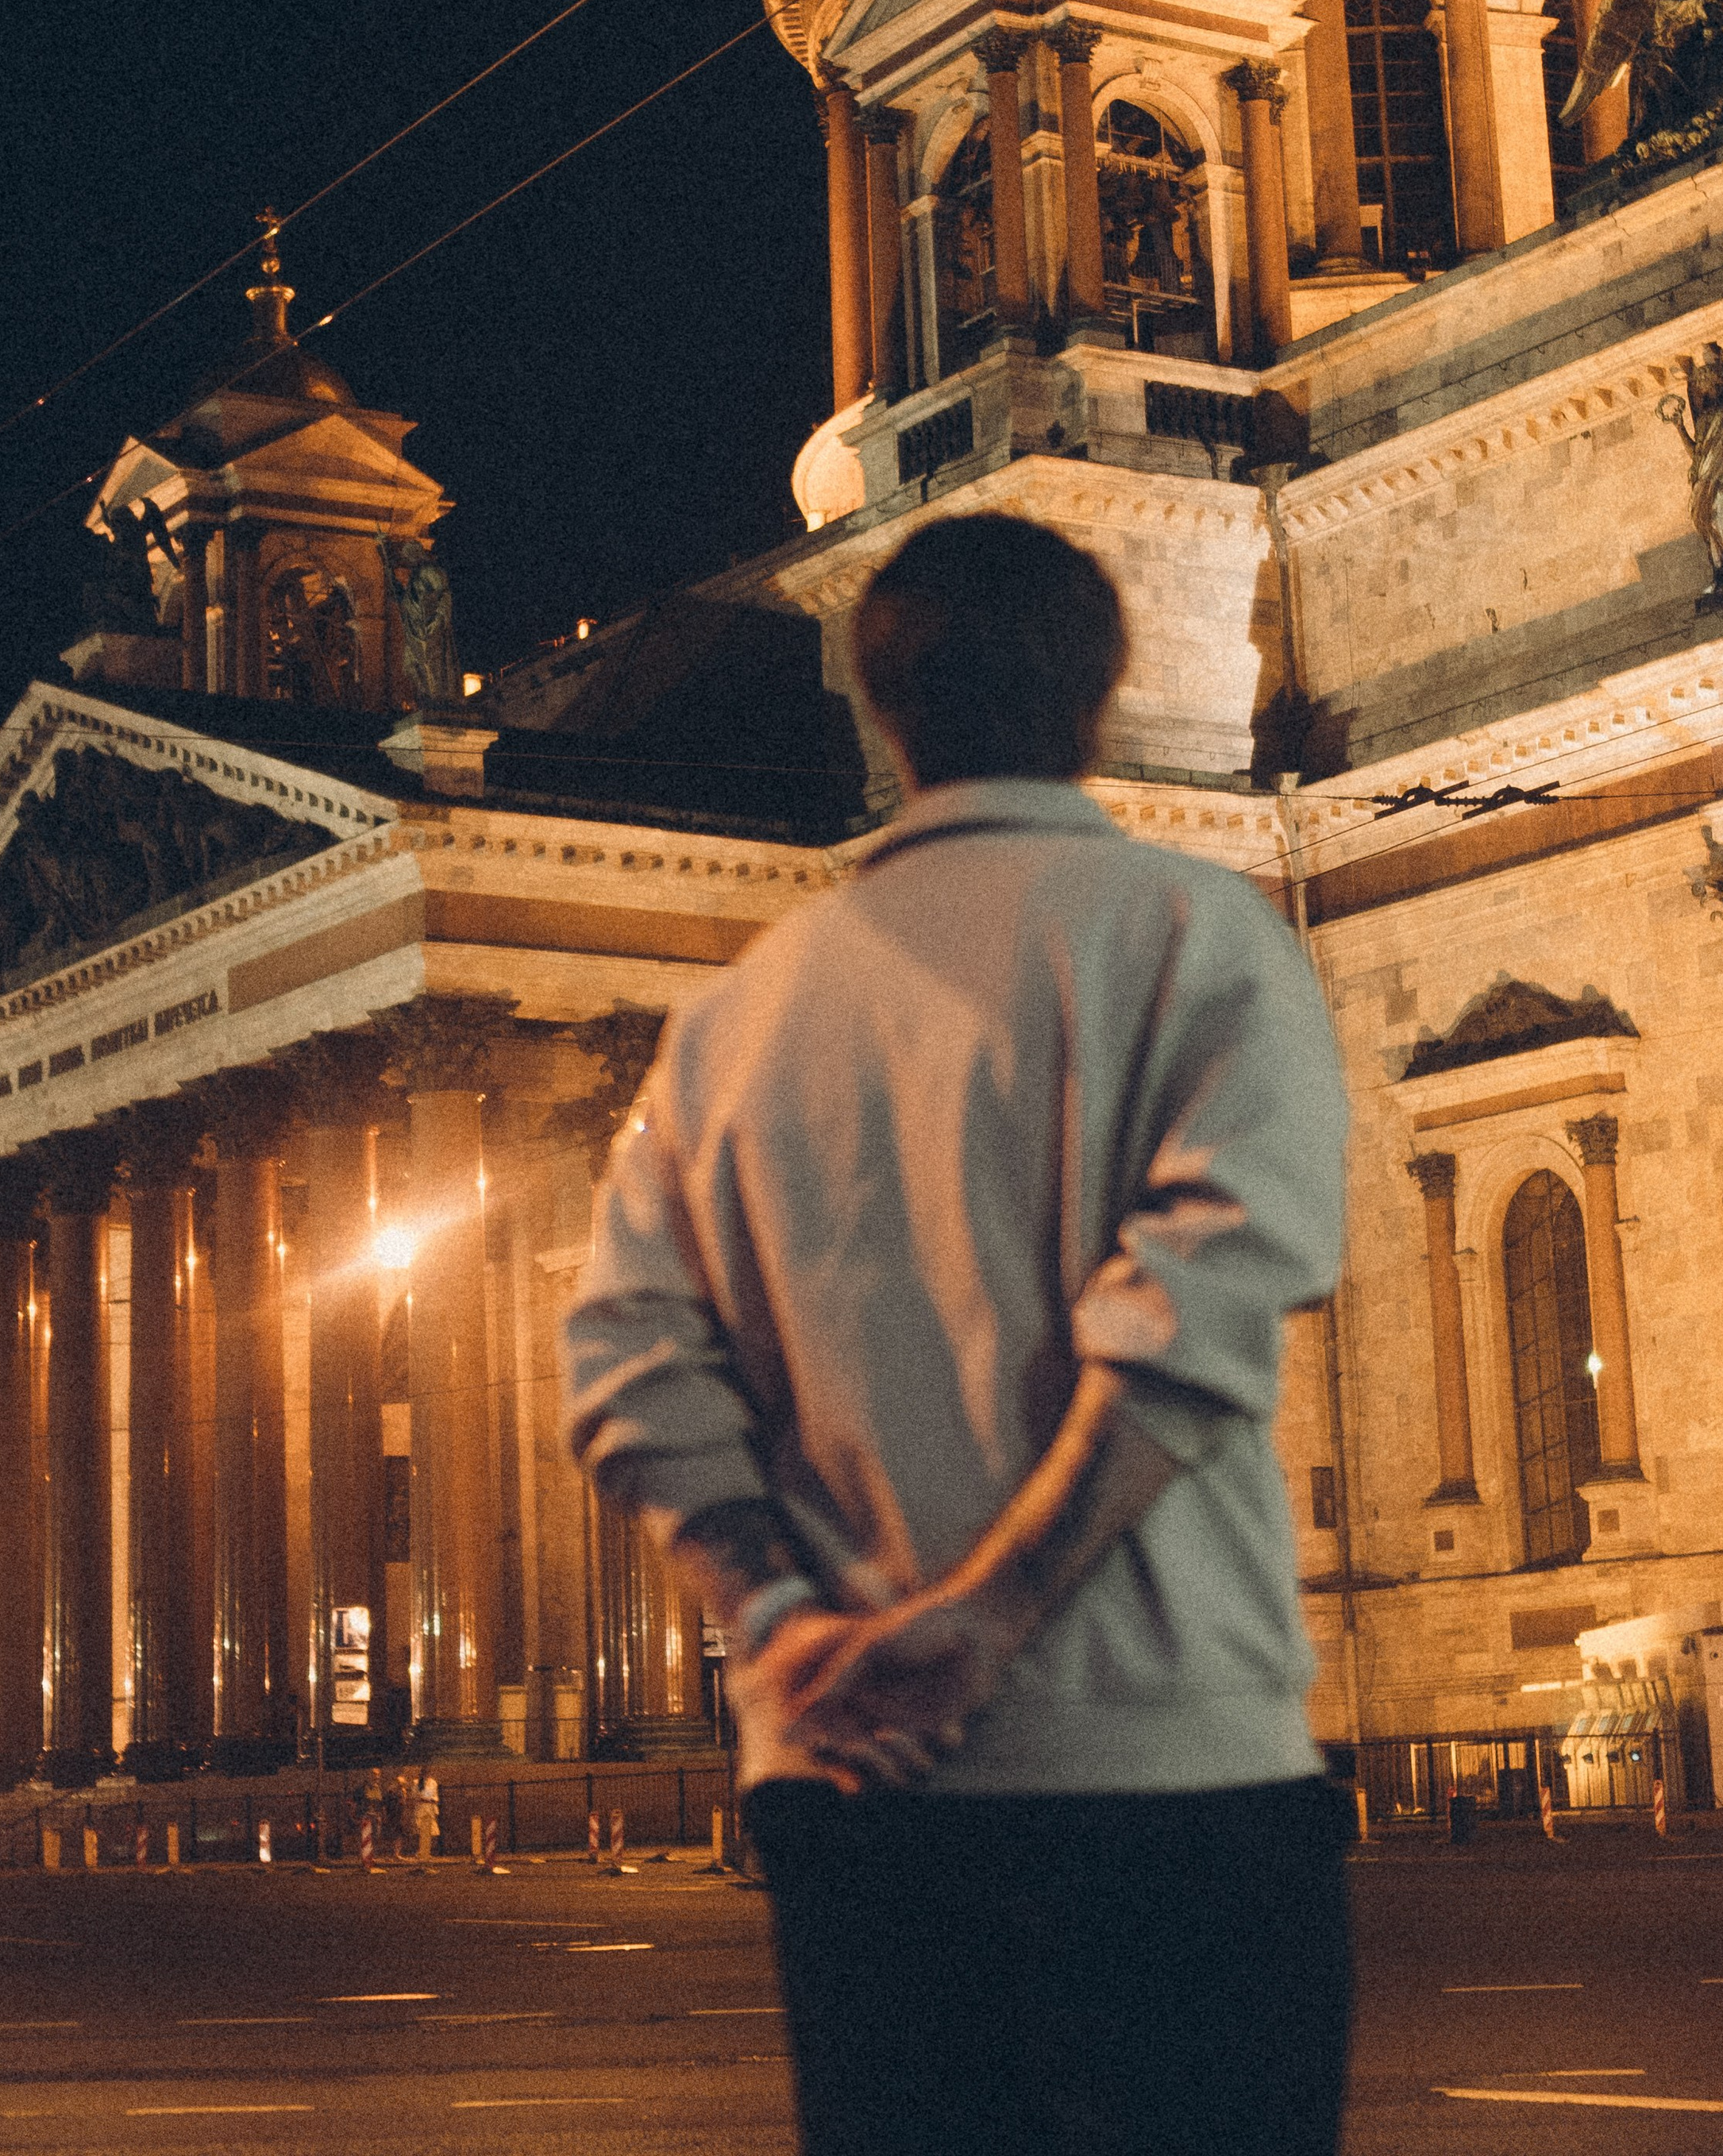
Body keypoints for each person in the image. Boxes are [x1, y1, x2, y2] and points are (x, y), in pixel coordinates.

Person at [565, 512, 1351, 2155]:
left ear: (878, 705)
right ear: (1107, 688)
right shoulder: (1201, 938)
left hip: (847, 1780)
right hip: (1167, 1763)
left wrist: (776, 1621)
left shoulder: (738, 1016)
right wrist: (988, 1617)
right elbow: (1189, 1313)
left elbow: (632, 1368)